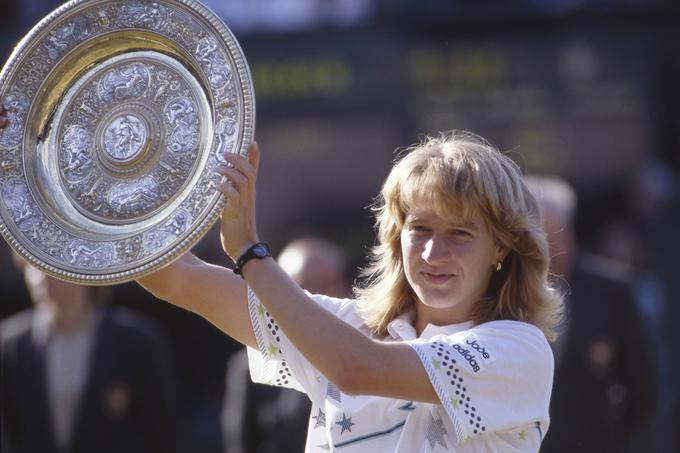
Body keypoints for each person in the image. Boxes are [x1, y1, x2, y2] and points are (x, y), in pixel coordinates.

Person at [2, 105, 562, 451]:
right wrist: (33, 166)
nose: (434, 251)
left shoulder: (520, 350)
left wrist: (248, 251)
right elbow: (177, 279)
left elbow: (356, 368)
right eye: (420, 228)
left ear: (502, 249)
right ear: (396, 237)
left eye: (461, 233)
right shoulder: (343, 326)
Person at [524, 176, 659, 453]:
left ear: (566, 232)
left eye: (546, 234)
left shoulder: (613, 289)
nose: (538, 247)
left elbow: (643, 387)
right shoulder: (502, 292)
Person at [0, 257, 181, 453]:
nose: (41, 277)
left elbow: (162, 433)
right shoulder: (10, 345)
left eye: (53, 265)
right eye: (33, 266)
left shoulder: (138, 343)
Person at [223, 236, 350, 453]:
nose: (317, 298)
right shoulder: (253, 365)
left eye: (325, 285)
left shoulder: (367, 356)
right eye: (303, 288)